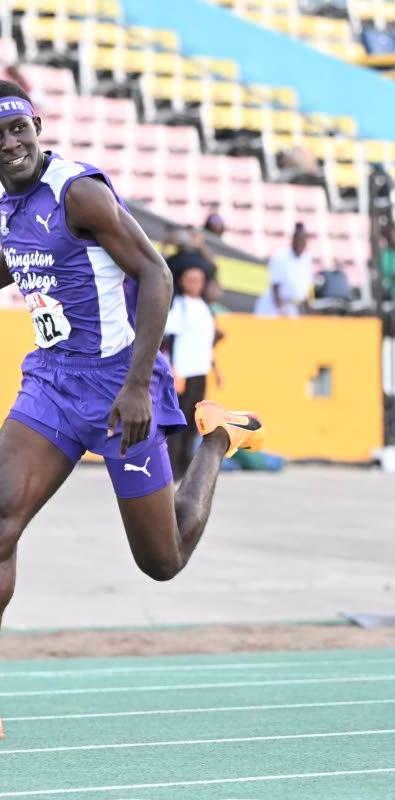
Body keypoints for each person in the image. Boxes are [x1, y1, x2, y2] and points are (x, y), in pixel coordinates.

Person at [0, 82, 265, 735]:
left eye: (17, 131)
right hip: (52, 386)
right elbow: (17, 263)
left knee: (163, 560)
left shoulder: (78, 193)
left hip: (121, 386)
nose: (9, 146)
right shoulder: (6, 207)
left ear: (36, 126)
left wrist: (141, 386)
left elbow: (157, 275)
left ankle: (218, 439)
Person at [164, 267, 222, 480]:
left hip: (200, 370)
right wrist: (172, 367)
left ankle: (186, 465)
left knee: (194, 421)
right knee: (179, 421)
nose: (195, 284)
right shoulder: (179, 306)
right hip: (183, 370)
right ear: (183, 281)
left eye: (199, 280)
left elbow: (207, 343)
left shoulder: (205, 307)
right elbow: (169, 337)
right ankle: (173, 467)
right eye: (191, 280)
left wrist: (217, 370)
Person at [254, 222, 313, 317]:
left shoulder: (306, 260)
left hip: (290, 307)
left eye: (303, 240)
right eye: (298, 240)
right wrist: (280, 309)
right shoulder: (281, 256)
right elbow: (275, 286)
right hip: (272, 307)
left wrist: (310, 313)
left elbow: (305, 293)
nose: (300, 243)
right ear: (293, 239)